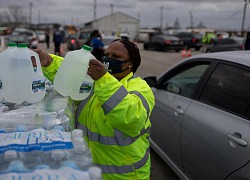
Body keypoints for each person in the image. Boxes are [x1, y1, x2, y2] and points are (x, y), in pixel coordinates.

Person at [33, 39, 155, 180]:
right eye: (107, 54)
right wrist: (49, 61)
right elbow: (70, 73)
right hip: (88, 171)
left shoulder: (139, 87)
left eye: (116, 57)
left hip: (124, 176)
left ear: (130, 63)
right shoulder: (95, 82)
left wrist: (103, 79)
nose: (109, 59)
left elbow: (131, 118)